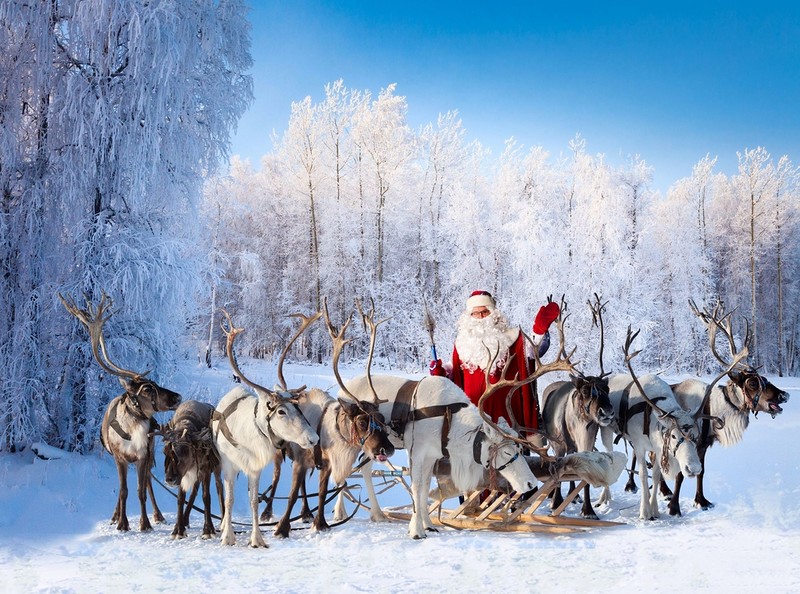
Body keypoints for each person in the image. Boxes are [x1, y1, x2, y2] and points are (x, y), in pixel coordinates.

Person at [429, 290, 560, 436]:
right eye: (475, 313)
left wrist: (539, 329)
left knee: (509, 453)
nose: (480, 317)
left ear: (493, 313)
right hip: (472, 416)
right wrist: (441, 371)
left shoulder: (512, 338)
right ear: (469, 316)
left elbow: (533, 350)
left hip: (508, 415)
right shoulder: (462, 343)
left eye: (484, 312)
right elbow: (455, 371)